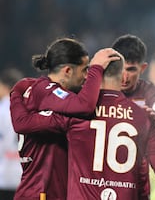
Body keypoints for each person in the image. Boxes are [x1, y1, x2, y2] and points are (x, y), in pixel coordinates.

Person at [11, 55, 155, 199]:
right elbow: (146, 171)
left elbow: (24, 123)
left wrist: (18, 92)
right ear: (121, 75)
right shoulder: (142, 117)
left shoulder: (76, 115)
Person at [10, 37, 121, 200]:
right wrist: (97, 68)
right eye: (85, 70)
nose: (86, 77)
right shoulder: (47, 91)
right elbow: (85, 106)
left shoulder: (40, 91)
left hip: (40, 190)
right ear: (68, 71)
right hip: (43, 193)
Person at [111, 34, 155, 199]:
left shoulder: (152, 94)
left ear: (142, 68)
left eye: (131, 70)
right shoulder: (97, 92)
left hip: (136, 188)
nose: (125, 77)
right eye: (121, 69)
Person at [0, 68, 23, 200]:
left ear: (5, 86)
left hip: (4, 172)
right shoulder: (27, 108)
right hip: (22, 174)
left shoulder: (2, 110)